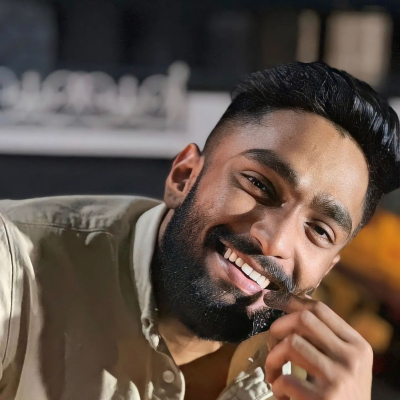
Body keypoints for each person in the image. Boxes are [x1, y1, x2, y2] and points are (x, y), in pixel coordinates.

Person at [0, 62, 399, 400]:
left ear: (327, 269)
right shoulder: (14, 268)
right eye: (259, 184)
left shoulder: (316, 383)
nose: (276, 241)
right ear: (183, 176)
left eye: (320, 231)